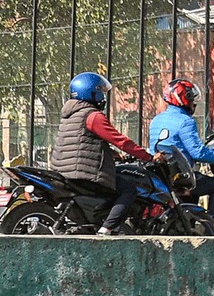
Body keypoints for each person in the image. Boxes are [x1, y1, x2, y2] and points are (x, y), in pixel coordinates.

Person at [52, 71, 153, 234]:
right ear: (91, 93)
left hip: (64, 170)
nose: (102, 98)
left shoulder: (71, 115)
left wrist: (111, 154)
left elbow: (83, 143)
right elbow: (121, 141)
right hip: (83, 174)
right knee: (129, 189)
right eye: (100, 92)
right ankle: (106, 230)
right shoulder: (93, 116)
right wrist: (148, 156)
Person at [147, 79, 214, 232]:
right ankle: (213, 227)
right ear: (183, 99)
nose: (193, 103)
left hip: (161, 174)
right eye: (191, 99)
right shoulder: (185, 121)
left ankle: (190, 225)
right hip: (179, 176)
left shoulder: (156, 120)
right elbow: (198, 152)